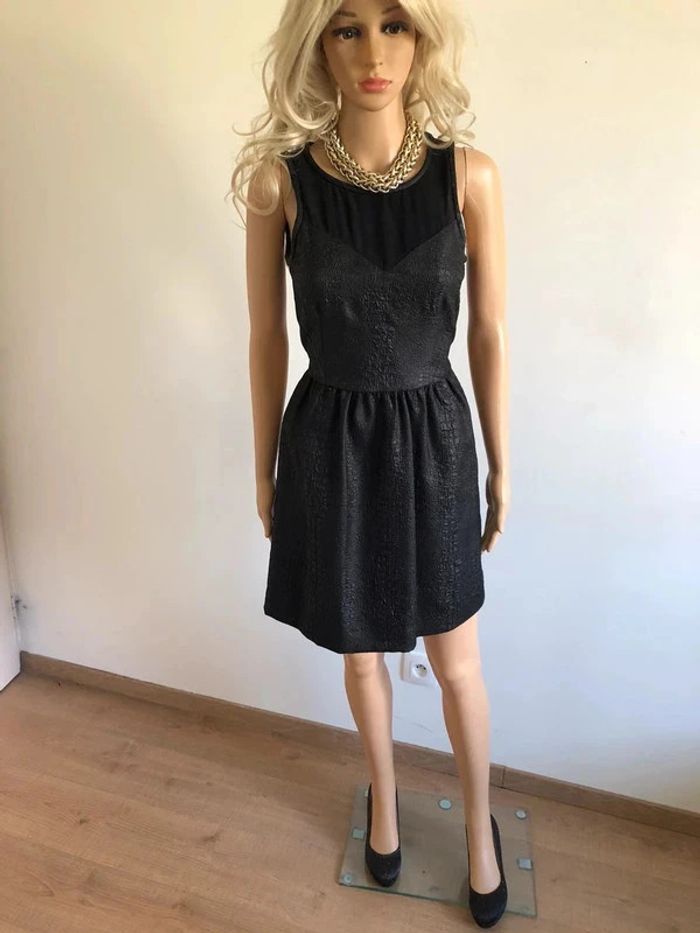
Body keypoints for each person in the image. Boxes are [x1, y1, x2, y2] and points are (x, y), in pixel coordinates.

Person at [230, 0, 509, 926]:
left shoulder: (469, 176)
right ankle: (384, 802)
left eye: (396, 24)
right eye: (348, 27)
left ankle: (478, 831)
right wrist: (264, 465)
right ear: (318, 45)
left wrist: (501, 463)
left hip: (436, 441)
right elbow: (266, 337)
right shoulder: (281, 184)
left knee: (457, 661)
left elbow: (491, 334)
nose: (374, 51)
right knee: (360, 654)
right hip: (331, 443)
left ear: (423, 38)